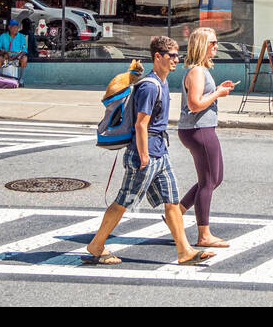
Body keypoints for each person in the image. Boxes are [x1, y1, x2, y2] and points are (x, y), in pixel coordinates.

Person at [82, 37, 214, 266]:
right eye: (171, 55)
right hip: (145, 154)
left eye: (177, 55)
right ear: (158, 57)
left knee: (172, 202)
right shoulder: (150, 86)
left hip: (160, 152)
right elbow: (141, 124)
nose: (176, 60)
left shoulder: (162, 83)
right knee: (124, 201)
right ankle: (96, 245)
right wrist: (143, 155)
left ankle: (184, 251)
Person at [178, 27, 236, 248]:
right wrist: (218, 94)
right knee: (208, 182)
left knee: (215, 178)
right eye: (213, 43)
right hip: (199, 129)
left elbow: (200, 98)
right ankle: (204, 235)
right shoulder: (196, 71)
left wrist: (218, 89)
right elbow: (194, 104)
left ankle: (176, 212)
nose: (216, 46)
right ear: (202, 44)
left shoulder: (201, 70)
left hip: (203, 128)